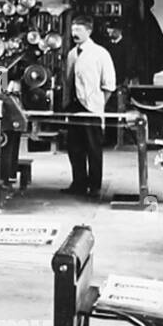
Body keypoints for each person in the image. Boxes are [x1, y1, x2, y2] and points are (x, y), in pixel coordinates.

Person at [62, 14, 116, 197]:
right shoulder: (71, 54)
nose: (74, 34)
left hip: (91, 107)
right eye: (72, 30)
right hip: (74, 106)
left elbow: (109, 85)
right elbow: (68, 81)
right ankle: (78, 183)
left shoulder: (100, 53)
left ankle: (94, 185)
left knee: (93, 147)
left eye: (78, 30)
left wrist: (98, 104)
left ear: (89, 31)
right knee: (74, 147)